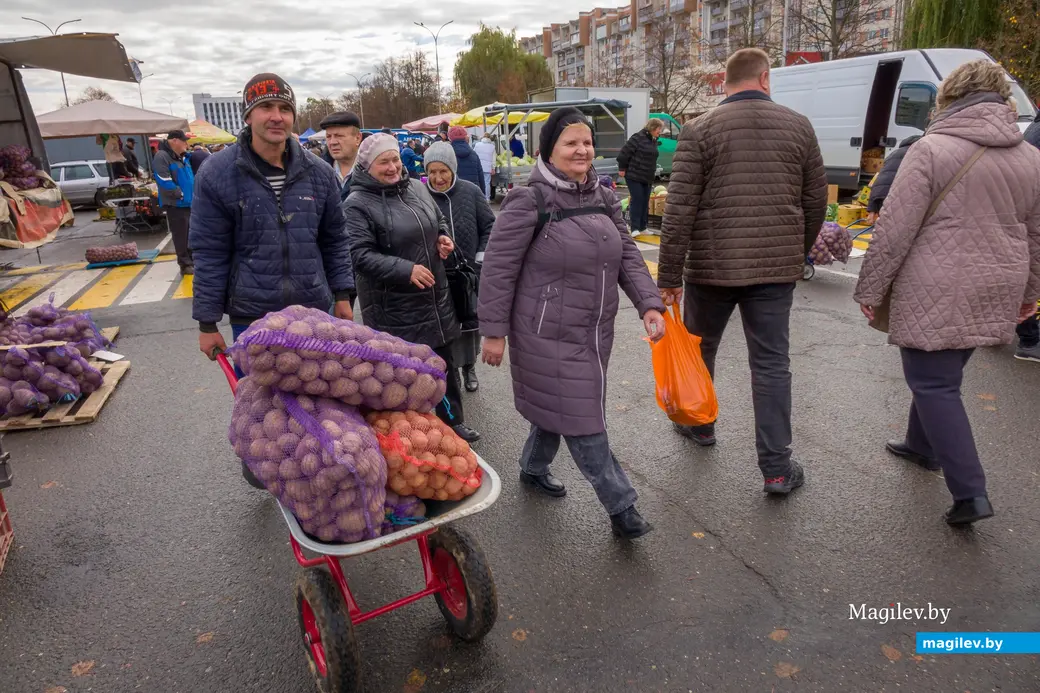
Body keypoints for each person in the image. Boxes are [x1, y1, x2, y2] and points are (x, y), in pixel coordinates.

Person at [854, 60, 1040, 526]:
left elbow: (896, 228)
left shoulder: (931, 149)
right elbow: (1037, 234)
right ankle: (921, 445)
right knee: (944, 371)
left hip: (938, 281)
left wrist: (871, 286)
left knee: (935, 383)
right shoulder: (1031, 158)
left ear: (950, 97)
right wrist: (1031, 292)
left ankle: (971, 493)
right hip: (999, 280)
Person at [478, 107, 666, 539]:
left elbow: (629, 257)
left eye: (586, 142)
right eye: (571, 143)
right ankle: (622, 507)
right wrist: (493, 332)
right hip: (544, 331)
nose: (582, 150)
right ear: (549, 149)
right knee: (583, 416)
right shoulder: (530, 200)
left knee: (558, 406)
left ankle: (532, 466)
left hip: (593, 331)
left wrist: (649, 305)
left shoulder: (600, 195)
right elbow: (499, 270)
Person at [658, 48, 827, 495]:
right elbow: (815, 203)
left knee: (701, 349)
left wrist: (669, 278)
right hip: (774, 271)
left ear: (724, 83)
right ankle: (776, 469)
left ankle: (702, 425)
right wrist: (796, 252)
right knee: (771, 365)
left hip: (710, 269)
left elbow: (678, 211)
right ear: (766, 78)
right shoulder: (799, 126)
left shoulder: (699, 130)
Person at [191, 71, 354, 360]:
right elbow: (209, 251)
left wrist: (343, 295)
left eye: (285, 109)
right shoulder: (217, 173)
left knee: (321, 399)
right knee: (259, 403)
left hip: (314, 313)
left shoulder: (319, 173)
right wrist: (207, 322)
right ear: (248, 116)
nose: (277, 116)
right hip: (252, 318)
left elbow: (335, 240)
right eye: (266, 107)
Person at [343, 133, 480, 443]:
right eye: (384, 162)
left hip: (435, 297)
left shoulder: (416, 187)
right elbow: (359, 255)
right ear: (366, 166)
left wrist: (443, 237)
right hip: (395, 308)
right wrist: (405, 270)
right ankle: (409, 438)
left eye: (395, 159)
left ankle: (453, 422)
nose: (393, 167)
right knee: (401, 377)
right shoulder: (357, 204)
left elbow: (437, 219)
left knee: (443, 366)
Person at [423, 141, 495, 393]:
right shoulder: (421, 196)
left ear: (452, 169)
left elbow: (489, 225)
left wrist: (480, 258)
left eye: (443, 171)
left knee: (469, 325)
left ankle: (469, 367)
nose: (438, 177)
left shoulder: (471, 191)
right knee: (445, 327)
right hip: (438, 274)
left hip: (469, 273)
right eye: (432, 171)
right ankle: (449, 370)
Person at [153, 130, 196, 274]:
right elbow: (163, 180)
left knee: (190, 234)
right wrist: (180, 194)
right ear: (174, 141)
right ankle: (185, 263)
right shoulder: (162, 156)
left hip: (188, 203)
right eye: (184, 141)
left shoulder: (181, 157)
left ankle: (191, 259)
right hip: (177, 204)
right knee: (181, 234)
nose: (186, 144)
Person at [617, 118, 663, 236]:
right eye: (659, 129)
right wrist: (622, 168)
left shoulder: (653, 140)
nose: (660, 131)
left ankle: (643, 226)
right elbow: (624, 153)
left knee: (644, 201)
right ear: (652, 127)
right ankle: (634, 228)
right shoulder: (637, 138)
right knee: (637, 200)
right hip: (634, 174)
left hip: (647, 176)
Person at [319, 110, 363, 203]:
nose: (332, 142)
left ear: (357, 138)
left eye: (339, 136)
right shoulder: (318, 172)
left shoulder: (374, 170)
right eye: (328, 136)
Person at [447, 126, 485, 196]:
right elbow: (481, 177)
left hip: (454, 195)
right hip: (473, 193)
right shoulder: (474, 154)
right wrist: (482, 196)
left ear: (450, 138)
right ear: (465, 137)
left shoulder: (447, 154)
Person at [473, 134, 496, 200]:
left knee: (479, 182)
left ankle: (479, 198)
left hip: (478, 166)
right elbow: (493, 159)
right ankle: (487, 198)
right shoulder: (492, 146)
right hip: (488, 167)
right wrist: (493, 168)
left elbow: (474, 154)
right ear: (489, 138)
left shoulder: (477, 145)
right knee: (487, 183)